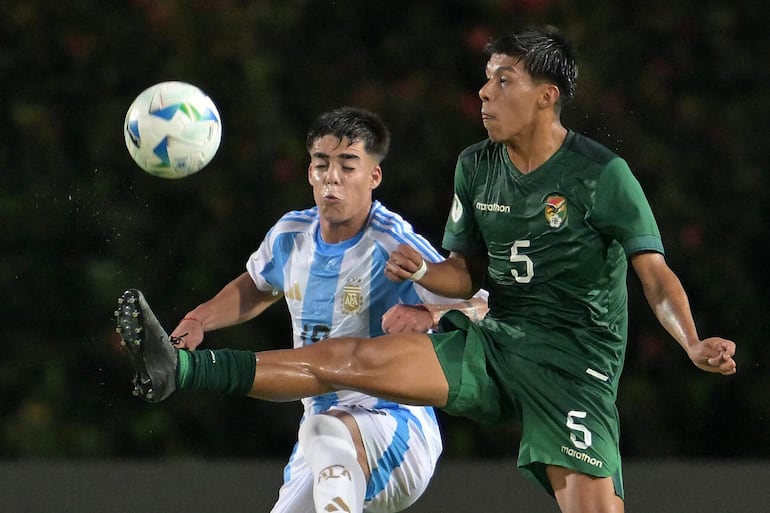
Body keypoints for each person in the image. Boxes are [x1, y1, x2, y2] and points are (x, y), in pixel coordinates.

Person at [118, 27, 737, 513]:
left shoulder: (602, 175)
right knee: (349, 358)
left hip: (573, 366)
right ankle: (183, 370)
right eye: (485, 79)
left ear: (547, 95)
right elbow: (465, 273)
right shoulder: (475, 166)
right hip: (497, 343)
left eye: (502, 80)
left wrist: (691, 340)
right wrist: (429, 282)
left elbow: (652, 274)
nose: (485, 92)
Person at [116, 107, 487, 513]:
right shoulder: (291, 234)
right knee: (320, 431)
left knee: (323, 429)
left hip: (395, 423)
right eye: (321, 164)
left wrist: (429, 315)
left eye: (348, 166)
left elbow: (482, 305)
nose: (332, 177)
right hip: (322, 442)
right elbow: (258, 285)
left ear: (373, 177)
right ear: (309, 172)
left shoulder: (391, 242)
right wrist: (198, 318)